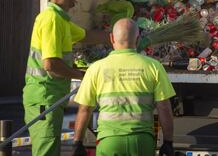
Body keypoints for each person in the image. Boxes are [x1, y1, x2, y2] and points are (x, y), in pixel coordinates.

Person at [23, 0, 108, 156]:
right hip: (44, 97)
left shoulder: (60, 19)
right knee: (46, 151)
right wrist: (82, 76)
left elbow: (87, 36)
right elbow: (51, 65)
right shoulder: (52, 19)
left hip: (49, 96)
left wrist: (120, 35)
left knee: (50, 149)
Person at [72, 18, 176, 156]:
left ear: (111, 38)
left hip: (109, 141)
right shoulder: (153, 67)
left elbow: (85, 109)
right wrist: (168, 142)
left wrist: (77, 142)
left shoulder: (96, 68)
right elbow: (164, 108)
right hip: (142, 141)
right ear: (137, 39)